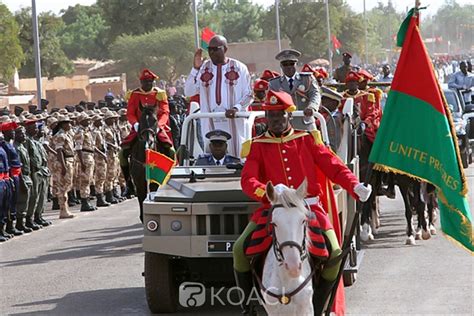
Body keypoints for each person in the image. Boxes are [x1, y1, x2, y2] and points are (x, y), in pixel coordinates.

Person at [232, 90, 371, 315]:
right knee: (239, 250)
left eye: (279, 116)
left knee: (335, 254)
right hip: (273, 209)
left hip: (309, 207)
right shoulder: (258, 145)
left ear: (289, 116)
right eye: (270, 116)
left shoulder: (306, 139)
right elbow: (248, 180)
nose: (275, 121)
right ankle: (248, 306)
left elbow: (333, 166)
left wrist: (354, 186)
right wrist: (267, 192)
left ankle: (319, 307)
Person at [184, 35, 253, 156]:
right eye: (209, 49)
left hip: (234, 122)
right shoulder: (204, 68)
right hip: (210, 122)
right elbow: (188, 92)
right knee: (212, 161)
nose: (211, 52)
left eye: (215, 49)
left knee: (236, 158)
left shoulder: (239, 67)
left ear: (225, 49)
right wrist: (195, 68)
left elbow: (249, 95)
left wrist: (236, 108)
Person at [269, 49, 321, 131]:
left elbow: (315, 94)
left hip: (305, 123)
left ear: (296, 64)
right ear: (281, 66)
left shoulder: (307, 79)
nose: (289, 67)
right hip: (285, 126)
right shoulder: (274, 84)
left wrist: (312, 107)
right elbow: (272, 103)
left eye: (291, 63)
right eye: (285, 64)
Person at [53, 115, 75, 219]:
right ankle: (63, 210)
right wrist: (63, 165)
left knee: (66, 186)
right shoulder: (60, 135)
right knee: (62, 187)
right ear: (62, 124)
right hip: (64, 161)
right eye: (67, 123)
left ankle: (65, 209)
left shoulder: (67, 135)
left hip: (69, 160)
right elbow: (59, 151)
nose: (70, 125)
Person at [74, 113, 96, 212]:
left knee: (89, 179)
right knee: (85, 181)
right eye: (86, 120)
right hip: (84, 156)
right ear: (81, 121)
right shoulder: (80, 132)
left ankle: (87, 200)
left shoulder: (87, 131)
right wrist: (82, 163)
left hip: (90, 156)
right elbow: (78, 148)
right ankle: (84, 202)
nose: (88, 121)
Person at [13, 126, 33, 233]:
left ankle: (23, 222)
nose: (24, 135)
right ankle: (19, 224)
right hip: (21, 177)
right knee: (21, 202)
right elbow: (18, 168)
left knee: (26, 201)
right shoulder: (16, 148)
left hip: (27, 175)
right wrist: (22, 181)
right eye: (21, 133)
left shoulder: (22, 147)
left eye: (24, 133)